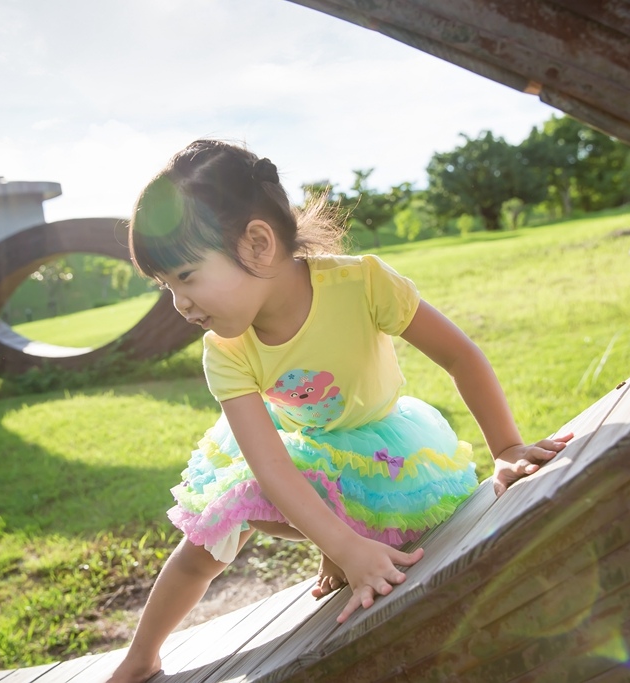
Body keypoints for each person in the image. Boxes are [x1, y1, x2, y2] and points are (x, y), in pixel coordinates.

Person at [108, 139, 571, 682]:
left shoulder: (361, 284)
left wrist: (507, 447)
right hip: (292, 448)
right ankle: (141, 658)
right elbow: (272, 469)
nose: (179, 303)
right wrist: (343, 545)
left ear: (258, 243)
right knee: (210, 534)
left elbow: (459, 355)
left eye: (186, 276)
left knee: (398, 539)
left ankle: (344, 541)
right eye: (166, 287)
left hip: (380, 446)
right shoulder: (226, 350)